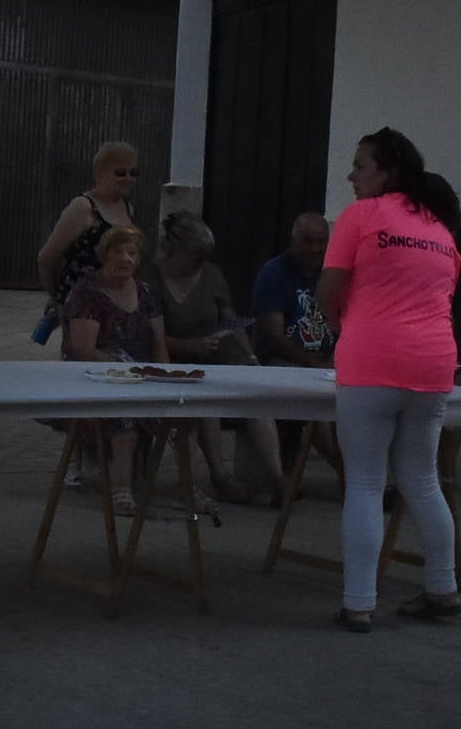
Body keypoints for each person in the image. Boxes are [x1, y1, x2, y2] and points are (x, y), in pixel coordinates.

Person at [315, 128, 461, 631]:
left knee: (364, 483)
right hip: (433, 363)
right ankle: (442, 588)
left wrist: (342, 322)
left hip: (371, 361)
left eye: (361, 166)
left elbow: (329, 290)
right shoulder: (441, 230)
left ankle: (359, 602)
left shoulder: (360, 217)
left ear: (389, 172)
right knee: (422, 480)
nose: (352, 175)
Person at [154, 210, 284, 501]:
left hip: (211, 355)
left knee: (255, 396)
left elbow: (229, 320)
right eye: (195, 256)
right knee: (206, 399)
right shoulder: (153, 279)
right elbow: (151, 334)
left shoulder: (211, 275)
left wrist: (251, 358)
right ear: (176, 251)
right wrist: (189, 347)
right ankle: (220, 475)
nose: (201, 262)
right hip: (174, 359)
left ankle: (277, 478)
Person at [59, 223, 180, 518]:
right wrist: (124, 372)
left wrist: (167, 379)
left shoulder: (144, 291)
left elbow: (158, 342)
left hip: (141, 375)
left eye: (133, 253)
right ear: (104, 254)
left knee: (185, 412)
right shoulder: (87, 293)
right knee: (125, 414)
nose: (126, 259)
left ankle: (195, 487)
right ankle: (121, 489)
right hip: (95, 377)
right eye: (118, 252)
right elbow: (82, 349)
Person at [34, 142, 141, 346]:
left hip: (115, 303)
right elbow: (47, 257)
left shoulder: (126, 208)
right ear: (101, 174)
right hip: (83, 305)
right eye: (120, 172)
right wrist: (58, 295)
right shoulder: (83, 208)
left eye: (133, 172)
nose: (128, 178)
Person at [252, 210, 338, 367]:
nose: (314, 248)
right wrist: (313, 363)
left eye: (321, 242)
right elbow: (273, 337)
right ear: (293, 241)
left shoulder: (333, 273)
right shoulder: (273, 273)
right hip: (285, 360)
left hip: (329, 361)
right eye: (307, 241)